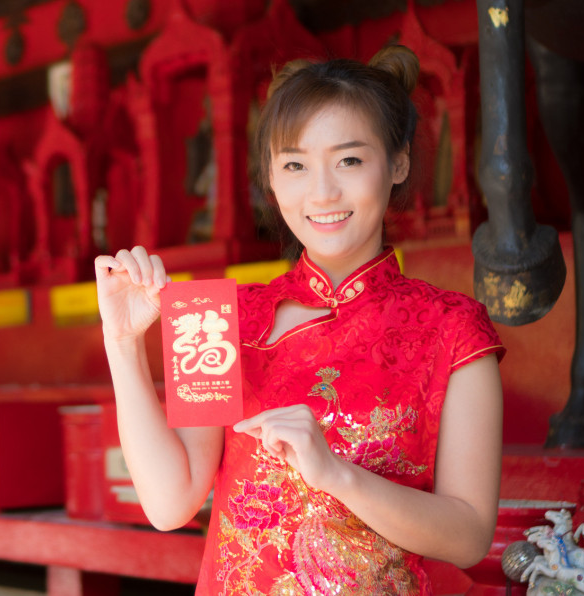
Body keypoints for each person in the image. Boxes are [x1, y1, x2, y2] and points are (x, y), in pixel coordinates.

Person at [94, 45, 505, 594]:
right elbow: (170, 503)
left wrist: (337, 475)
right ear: (271, 176)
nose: (323, 192)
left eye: (349, 160)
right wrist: (122, 343)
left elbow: (469, 534)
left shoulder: (454, 330)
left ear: (399, 162)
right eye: (295, 165)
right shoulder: (220, 318)